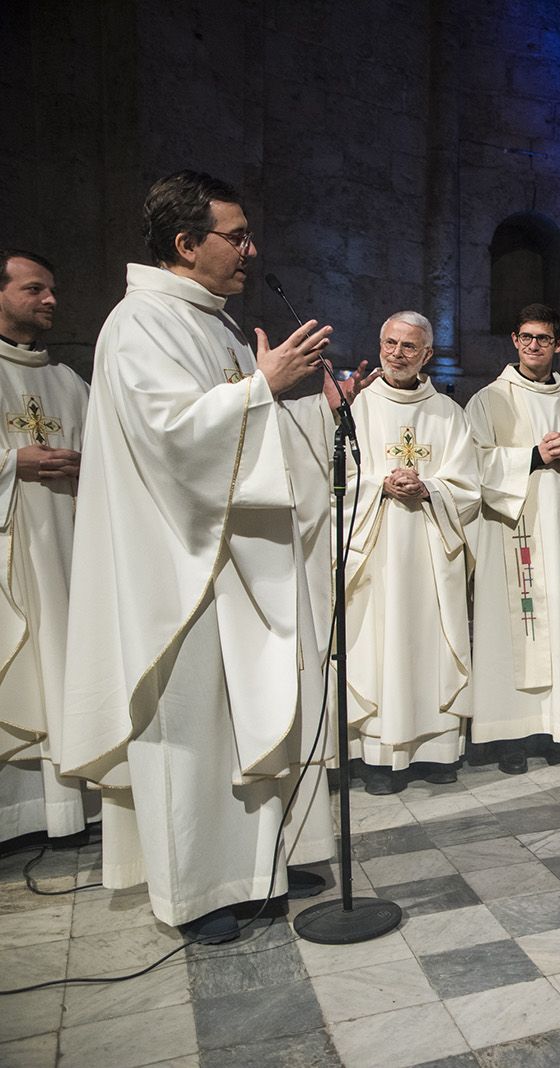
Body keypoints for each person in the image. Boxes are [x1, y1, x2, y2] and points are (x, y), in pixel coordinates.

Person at [57, 171, 371, 943]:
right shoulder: (140, 325)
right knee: (193, 727)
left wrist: (303, 403)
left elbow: (244, 426)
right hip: (179, 566)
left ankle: (257, 866)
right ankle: (196, 889)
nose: (251, 250)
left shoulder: (218, 326)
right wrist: (262, 386)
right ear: (185, 243)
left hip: (236, 560)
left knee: (251, 713)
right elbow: (171, 439)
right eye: (237, 236)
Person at [466, 303, 560, 772]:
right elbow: (471, 465)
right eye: (527, 337)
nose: (535, 346)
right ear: (514, 340)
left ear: (559, 344)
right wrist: (532, 455)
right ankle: (509, 735)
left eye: (544, 339)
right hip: (512, 534)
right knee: (509, 631)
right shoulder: (488, 400)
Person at [343, 312, 480, 795]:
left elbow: (468, 486)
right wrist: (377, 485)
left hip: (429, 553)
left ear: (427, 355)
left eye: (408, 347)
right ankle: (379, 758)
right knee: (378, 646)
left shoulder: (448, 413)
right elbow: (333, 478)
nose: (396, 353)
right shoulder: (356, 409)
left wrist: (429, 488)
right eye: (389, 343)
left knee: (431, 644)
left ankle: (436, 750)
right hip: (375, 551)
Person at [0, 249, 94, 843]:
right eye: (35, 289)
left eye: (52, 289)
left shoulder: (66, 381)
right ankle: (16, 816)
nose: (51, 300)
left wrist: (86, 466)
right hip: (12, 552)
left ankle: (71, 810)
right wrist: (14, 462)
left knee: (64, 662)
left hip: (67, 547)